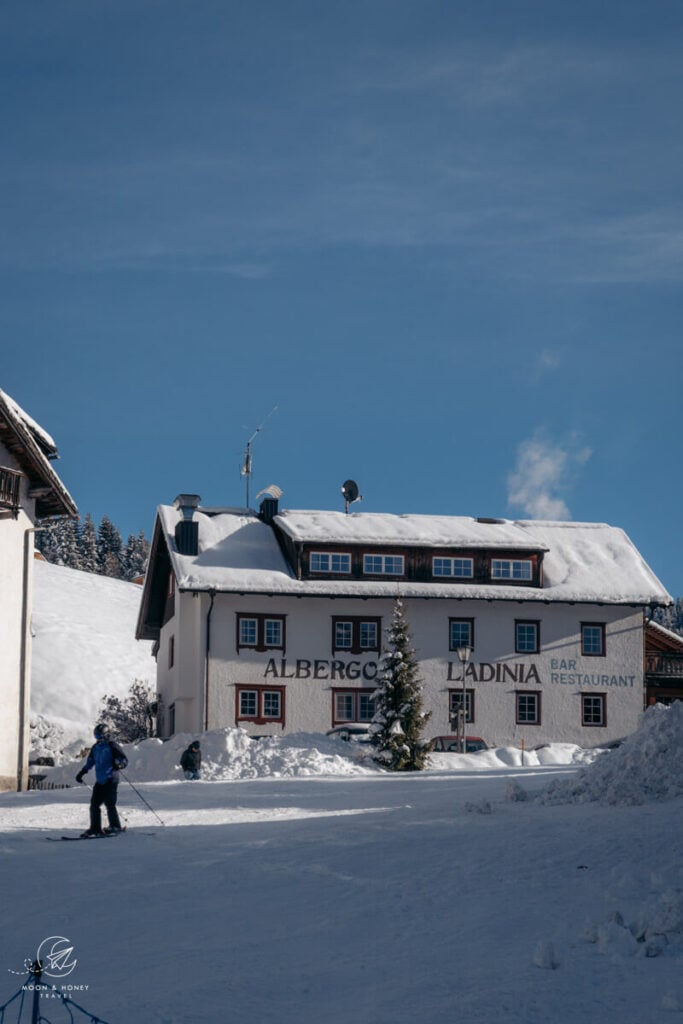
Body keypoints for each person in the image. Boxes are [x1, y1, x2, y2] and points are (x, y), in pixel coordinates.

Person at [75, 724, 128, 837]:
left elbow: (124, 759)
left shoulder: (112, 745)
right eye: (97, 737)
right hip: (100, 779)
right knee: (94, 804)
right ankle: (95, 829)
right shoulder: (96, 747)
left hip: (111, 778)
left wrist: (119, 763)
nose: (99, 739)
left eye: (100, 737)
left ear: (106, 735)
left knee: (110, 803)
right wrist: (82, 772)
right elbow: (90, 761)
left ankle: (115, 826)